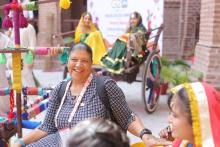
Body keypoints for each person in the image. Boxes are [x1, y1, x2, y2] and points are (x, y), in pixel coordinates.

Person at [13, 43, 170, 147]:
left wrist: (145, 135)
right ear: (68, 61)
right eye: (74, 60)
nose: (78, 65)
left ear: (91, 63)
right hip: (60, 141)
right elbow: (47, 127)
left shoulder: (105, 86)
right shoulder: (60, 89)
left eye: (84, 61)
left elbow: (127, 117)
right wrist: (20, 143)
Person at [160, 82, 220, 147]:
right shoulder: (185, 141)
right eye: (170, 113)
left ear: (197, 121)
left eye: (175, 115)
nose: (168, 120)